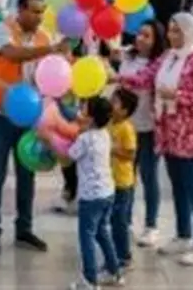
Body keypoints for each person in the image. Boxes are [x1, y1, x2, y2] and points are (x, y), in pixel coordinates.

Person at [0, 0, 63, 255]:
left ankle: (24, 229)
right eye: (34, 11)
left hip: (29, 116)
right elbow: (12, 54)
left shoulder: (43, 36)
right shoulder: (2, 30)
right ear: (20, 10)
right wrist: (49, 49)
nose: (39, 17)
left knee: (27, 172)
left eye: (42, 12)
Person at [141, 12, 193, 266]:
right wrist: (117, 76)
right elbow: (147, 77)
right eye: (171, 31)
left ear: (190, 32)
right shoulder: (169, 57)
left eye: (178, 31)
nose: (172, 36)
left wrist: (177, 94)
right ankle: (183, 234)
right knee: (177, 187)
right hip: (171, 133)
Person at [116, 20, 165, 247]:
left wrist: (117, 78)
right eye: (139, 34)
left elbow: (142, 81)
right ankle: (123, 220)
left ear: (156, 40)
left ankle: (151, 225)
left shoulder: (160, 62)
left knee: (149, 175)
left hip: (149, 128)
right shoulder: (128, 56)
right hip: (127, 126)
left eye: (147, 36)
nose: (141, 39)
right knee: (126, 175)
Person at [66, 96, 122, 290]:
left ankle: (90, 280)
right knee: (101, 232)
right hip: (108, 192)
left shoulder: (85, 139)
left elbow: (69, 155)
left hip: (91, 196)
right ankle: (114, 271)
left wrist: (49, 140)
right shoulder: (104, 134)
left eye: (83, 111)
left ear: (90, 118)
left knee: (87, 236)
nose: (79, 114)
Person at [108, 88, 139, 268]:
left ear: (125, 110)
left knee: (120, 220)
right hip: (110, 181)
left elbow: (130, 154)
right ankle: (115, 250)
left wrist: (112, 148)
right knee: (113, 219)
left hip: (122, 182)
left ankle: (124, 254)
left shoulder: (126, 128)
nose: (111, 105)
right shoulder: (110, 123)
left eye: (115, 102)